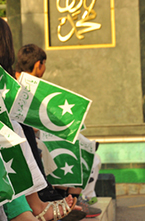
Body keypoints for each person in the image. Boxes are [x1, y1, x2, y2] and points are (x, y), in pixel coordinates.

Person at [0, 15, 81, 221]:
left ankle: (41, 201)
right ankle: (35, 204)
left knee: (20, 129)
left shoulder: (1, 77)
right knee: (16, 130)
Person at [15, 43, 102, 219]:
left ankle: (72, 199)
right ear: (39, 64)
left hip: (35, 136)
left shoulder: (25, 84)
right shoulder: (23, 87)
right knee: (69, 147)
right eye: (44, 64)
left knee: (77, 145)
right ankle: (69, 199)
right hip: (30, 138)